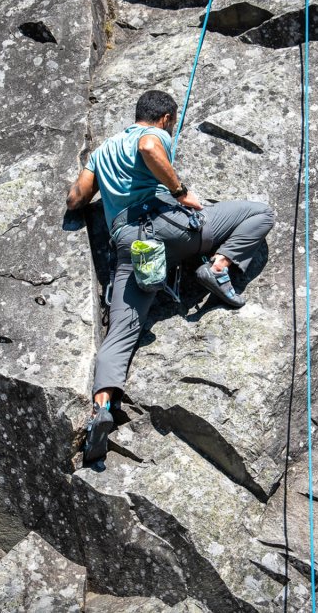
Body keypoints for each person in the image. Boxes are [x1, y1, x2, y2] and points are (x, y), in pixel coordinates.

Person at [66, 90, 275, 463]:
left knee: (121, 332)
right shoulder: (155, 134)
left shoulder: (101, 153)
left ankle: (102, 408)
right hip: (169, 229)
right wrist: (180, 191)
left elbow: (76, 199)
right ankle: (219, 267)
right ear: (165, 118)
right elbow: (149, 147)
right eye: (172, 123)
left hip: (132, 247)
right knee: (259, 213)